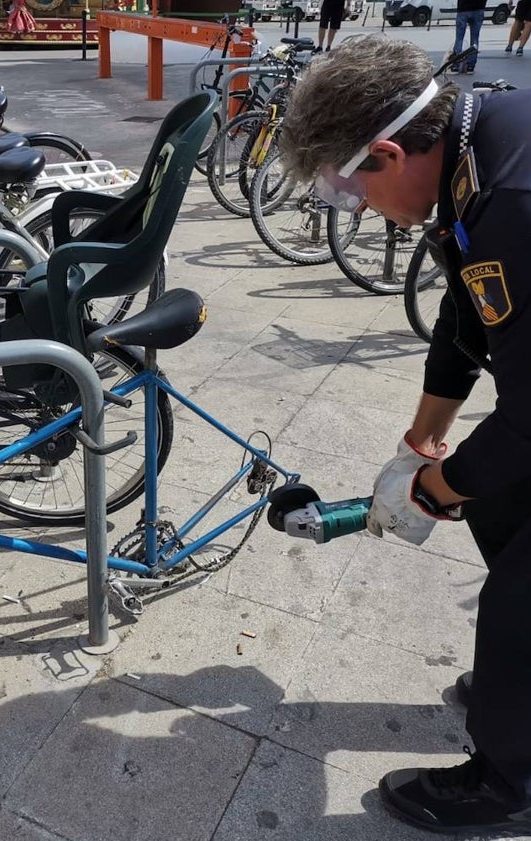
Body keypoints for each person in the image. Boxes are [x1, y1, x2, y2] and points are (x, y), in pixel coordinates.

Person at [281, 33, 531, 836]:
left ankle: (507, 782)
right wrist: (427, 438)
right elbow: (464, 308)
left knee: (519, 597)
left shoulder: (513, 198)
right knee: (498, 508)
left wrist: (435, 487)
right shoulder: (467, 153)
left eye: (352, 191)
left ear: (388, 153)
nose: (357, 209)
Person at [450, 0, 485, 72]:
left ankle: (456, 65)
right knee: (475, 39)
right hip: (479, 8)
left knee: (459, 38)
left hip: (463, 9)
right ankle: (470, 66)